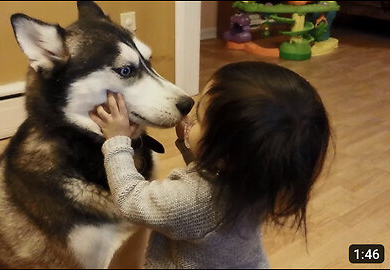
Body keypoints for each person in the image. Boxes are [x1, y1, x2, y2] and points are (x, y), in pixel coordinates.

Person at [89, 61, 332, 268]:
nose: (191, 116)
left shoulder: (191, 199)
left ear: (223, 153)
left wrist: (117, 141)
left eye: (200, 118)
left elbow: (131, 200)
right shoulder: (262, 177)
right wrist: (189, 143)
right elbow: (212, 172)